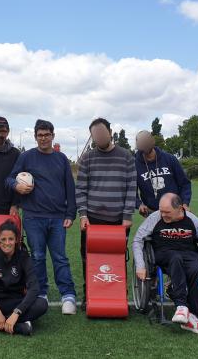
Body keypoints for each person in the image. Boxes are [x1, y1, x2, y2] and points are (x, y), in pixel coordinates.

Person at [6, 119, 78, 315]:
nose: (43, 138)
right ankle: (40, 294)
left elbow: (70, 188)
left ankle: (68, 295)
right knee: (37, 257)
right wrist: (17, 185)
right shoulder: (26, 157)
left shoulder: (61, 159)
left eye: (47, 135)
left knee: (60, 257)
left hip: (57, 217)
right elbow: (10, 178)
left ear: (53, 136)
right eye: (40, 135)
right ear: (35, 137)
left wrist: (71, 213)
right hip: (33, 217)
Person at [132, 193, 198, 335]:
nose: (163, 214)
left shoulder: (192, 219)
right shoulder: (155, 217)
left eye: (167, 212)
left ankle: (191, 312)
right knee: (175, 257)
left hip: (189, 253)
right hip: (164, 254)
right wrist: (140, 265)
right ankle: (181, 306)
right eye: (161, 210)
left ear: (180, 208)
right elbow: (138, 240)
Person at [75, 117, 137, 309]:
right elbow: (81, 189)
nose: (99, 137)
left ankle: (118, 295)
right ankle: (89, 294)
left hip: (118, 220)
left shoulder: (126, 156)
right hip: (92, 219)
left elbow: (131, 187)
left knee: (117, 258)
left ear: (110, 132)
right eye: (95, 134)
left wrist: (127, 216)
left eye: (102, 132)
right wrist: (83, 215)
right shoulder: (87, 158)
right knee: (89, 258)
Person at [135, 131, 191, 217]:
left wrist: (185, 203)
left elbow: (184, 183)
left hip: (175, 210)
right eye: (141, 142)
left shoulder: (170, 159)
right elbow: (131, 190)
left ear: (152, 140)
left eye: (146, 141)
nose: (144, 144)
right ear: (137, 144)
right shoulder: (134, 165)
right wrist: (139, 204)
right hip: (151, 212)